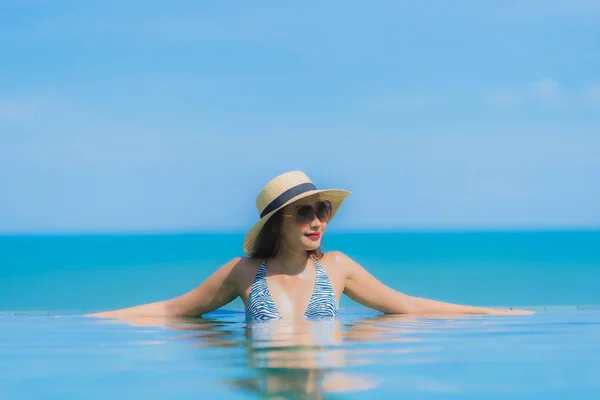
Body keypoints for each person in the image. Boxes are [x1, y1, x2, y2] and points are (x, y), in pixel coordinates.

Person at [87, 170, 532, 321]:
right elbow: (173, 311)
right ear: (276, 223)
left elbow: (407, 306)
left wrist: (489, 313)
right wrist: (94, 319)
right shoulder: (243, 273)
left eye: (321, 211)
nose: (317, 221)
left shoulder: (337, 268)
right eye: (303, 212)